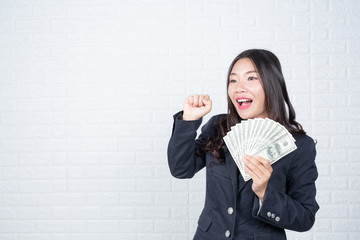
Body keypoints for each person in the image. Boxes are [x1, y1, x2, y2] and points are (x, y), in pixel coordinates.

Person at [167, 49, 319, 240]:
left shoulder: (299, 146)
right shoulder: (218, 127)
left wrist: (265, 193)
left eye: (251, 78)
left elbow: (305, 218)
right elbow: (181, 169)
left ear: (272, 83)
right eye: (233, 80)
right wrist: (188, 120)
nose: (239, 88)